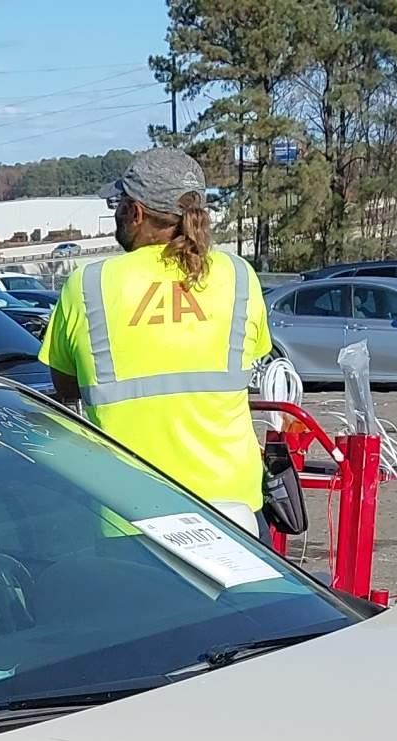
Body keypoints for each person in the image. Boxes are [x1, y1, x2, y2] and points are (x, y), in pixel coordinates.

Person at [40, 148, 271, 531]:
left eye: (119, 205)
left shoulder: (89, 284)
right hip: (235, 510)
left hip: (129, 514)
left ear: (137, 213)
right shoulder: (238, 275)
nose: (117, 214)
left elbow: (65, 385)